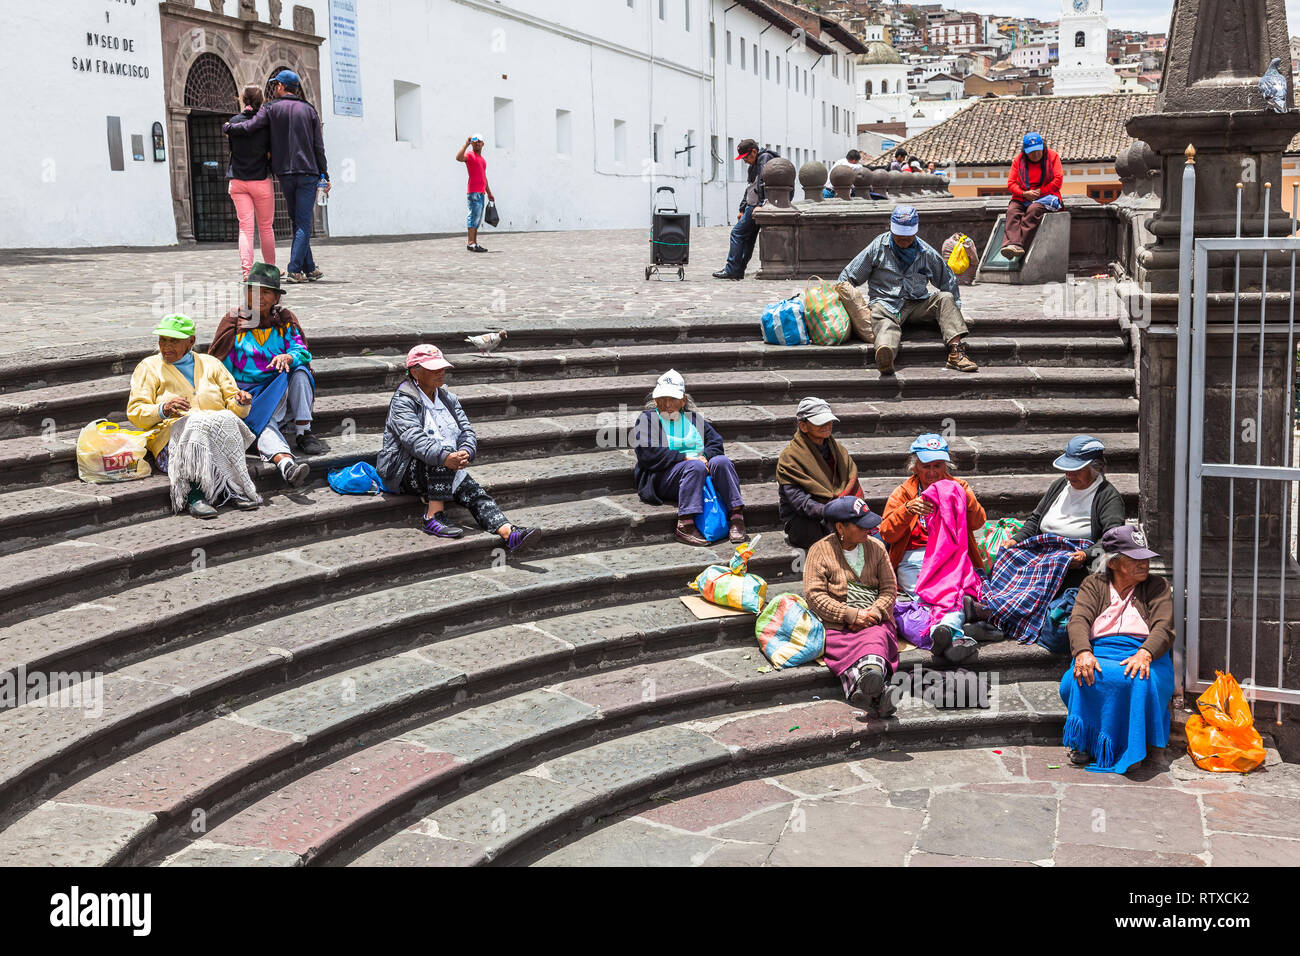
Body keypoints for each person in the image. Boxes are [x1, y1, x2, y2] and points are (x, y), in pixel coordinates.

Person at [376, 344, 540, 552]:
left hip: (444, 466)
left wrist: (466, 451)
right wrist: (447, 456)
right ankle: (432, 516)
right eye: (433, 369)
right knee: (442, 457)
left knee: (473, 491)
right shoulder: (403, 401)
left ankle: (509, 532)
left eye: (442, 368)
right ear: (416, 371)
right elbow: (415, 440)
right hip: (401, 471)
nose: (440, 373)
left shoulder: (448, 398)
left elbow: (467, 431)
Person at [1059, 525, 1174, 774]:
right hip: (1101, 650)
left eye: (1145, 558)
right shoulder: (1093, 584)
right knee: (1076, 679)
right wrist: (1082, 652)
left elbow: (1163, 628)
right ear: (1113, 563)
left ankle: (1132, 747)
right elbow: (1078, 620)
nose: (1144, 564)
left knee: (1138, 679)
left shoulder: (1158, 587)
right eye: (1135, 559)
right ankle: (1087, 741)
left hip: (1146, 653)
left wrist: (1145, 653)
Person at [126, 314, 260, 519]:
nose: (166, 346)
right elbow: (136, 412)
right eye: (162, 339)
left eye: (174, 341)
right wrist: (163, 408)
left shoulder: (211, 363)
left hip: (213, 437)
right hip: (171, 444)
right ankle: (194, 495)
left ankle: (232, 488)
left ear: (191, 341)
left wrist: (241, 401)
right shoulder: (149, 367)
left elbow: (234, 407)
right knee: (195, 422)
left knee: (226, 418)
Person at [208, 263, 321, 488]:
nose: (259, 296)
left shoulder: (284, 320)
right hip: (246, 393)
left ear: (277, 297)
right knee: (263, 420)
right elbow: (216, 365)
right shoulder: (233, 321)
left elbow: (302, 351)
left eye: (266, 291)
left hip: (279, 387)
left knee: (300, 371)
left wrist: (289, 357)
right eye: (253, 290)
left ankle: (303, 431)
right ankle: (286, 464)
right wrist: (233, 392)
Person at [879, 434, 987, 663]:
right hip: (915, 559)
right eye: (925, 466)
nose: (932, 472)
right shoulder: (904, 493)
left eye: (937, 466)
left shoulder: (958, 487)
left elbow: (978, 522)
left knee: (949, 594)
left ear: (945, 465)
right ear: (915, 466)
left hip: (952, 557)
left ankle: (947, 631)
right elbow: (887, 532)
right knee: (938, 596)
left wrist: (964, 496)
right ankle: (957, 631)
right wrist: (907, 510)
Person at [838, 204, 978, 375]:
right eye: (899, 237)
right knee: (885, 324)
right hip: (885, 304)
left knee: (945, 297)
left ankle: (956, 354)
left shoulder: (926, 252)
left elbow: (947, 279)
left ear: (915, 232)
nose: (903, 241)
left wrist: (954, 312)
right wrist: (841, 306)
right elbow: (849, 276)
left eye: (908, 237)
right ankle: (886, 355)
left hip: (917, 304)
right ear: (891, 229)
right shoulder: (878, 247)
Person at [225, 70, 329, 283]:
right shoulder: (310, 110)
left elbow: (250, 126)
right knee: (302, 221)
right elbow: (318, 146)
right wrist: (324, 174)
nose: (274, 88)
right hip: (307, 171)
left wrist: (229, 127)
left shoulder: (271, 109)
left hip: (284, 172)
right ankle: (294, 268)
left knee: (297, 220)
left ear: (282, 86)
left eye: (276, 85)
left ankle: (308, 267)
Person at [804, 496, 900, 715]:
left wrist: (873, 613)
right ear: (840, 527)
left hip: (875, 621)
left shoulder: (876, 547)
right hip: (839, 625)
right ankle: (878, 693)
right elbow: (815, 595)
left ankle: (867, 679)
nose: (870, 529)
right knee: (840, 644)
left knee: (876, 637)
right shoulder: (819, 551)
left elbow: (889, 588)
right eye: (861, 524)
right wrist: (849, 614)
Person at [631, 369, 747, 546]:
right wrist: (685, 458)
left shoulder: (693, 419)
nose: (668, 404)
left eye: (673, 399)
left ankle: (737, 516)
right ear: (655, 400)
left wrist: (706, 457)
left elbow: (716, 443)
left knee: (721, 462)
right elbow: (648, 454)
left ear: (683, 400)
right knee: (694, 467)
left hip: (698, 471)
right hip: (663, 477)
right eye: (663, 400)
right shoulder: (648, 420)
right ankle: (684, 524)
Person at [776, 397, 863, 552]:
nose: (827, 426)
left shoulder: (838, 451)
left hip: (837, 513)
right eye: (820, 422)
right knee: (830, 542)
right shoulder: (790, 458)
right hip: (806, 520)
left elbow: (850, 482)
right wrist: (829, 511)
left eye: (829, 421)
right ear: (803, 426)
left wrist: (844, 509)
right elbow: (800, 502)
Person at [226, 84, 276, 280]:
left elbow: (232, 148)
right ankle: (270, 270)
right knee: (265, 227)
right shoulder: (265, 124)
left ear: (242, 99)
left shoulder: (233, 122)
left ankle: (247, 272)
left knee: (245, 228)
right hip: (260, 179)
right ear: (262, 100)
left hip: (238, 180)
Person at [713, 138, 777, 280]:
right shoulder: (754, 164)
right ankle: (738, 269)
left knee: (737, 234)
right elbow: (749, 188)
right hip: (752, 206)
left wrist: (760, 205)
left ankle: (732, 269)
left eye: (746, 157)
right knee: (747, 239)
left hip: (755, 206)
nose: (745, 161)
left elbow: (763, 183)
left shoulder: (764, 159)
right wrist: (742, 208)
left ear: (754, 152)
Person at [1001, 131, 1063, 260]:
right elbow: (1011, 184)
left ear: (1043, 147)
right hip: (1023, 196)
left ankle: (1019, 245)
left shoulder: (1053, 156)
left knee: (1033, 210)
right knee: (1012, 211)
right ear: (1025, 152)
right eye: (1031, 152)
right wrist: (1024, 193)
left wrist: (1040, 191)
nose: (1035, 155)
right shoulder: (1018, 161)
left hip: (1046, 195)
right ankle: (1011, 244)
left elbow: (1058, 180)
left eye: (1038, 151)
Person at [456, 135, 495, 253]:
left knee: (477, 218)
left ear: (483, 144)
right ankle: (471, 243)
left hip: (481, 192)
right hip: (473, 192)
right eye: (475, 142)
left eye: (480, 142)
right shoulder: (469, 155)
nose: (477, 143)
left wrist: (489, 193)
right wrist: (466, 144)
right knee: (473, 216)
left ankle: (474, 243)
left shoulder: (483, 160)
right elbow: (458, 158)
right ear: (472, 144)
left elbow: (484, 178)